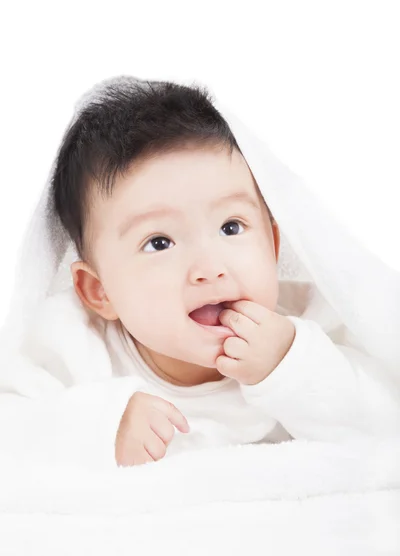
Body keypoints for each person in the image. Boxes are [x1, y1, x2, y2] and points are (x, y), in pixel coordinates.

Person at [0, 76, 399, 468]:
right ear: (100, 291)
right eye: (159, 242)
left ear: (273, 247)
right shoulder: (70, 344)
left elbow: (384, 421)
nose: (209, 269)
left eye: (231, 227)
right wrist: (103, 424)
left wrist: (291, 367)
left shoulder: (310, 324)